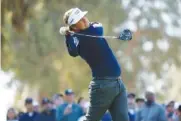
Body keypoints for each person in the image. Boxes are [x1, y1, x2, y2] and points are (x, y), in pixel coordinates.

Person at [59, 7, 131, 121]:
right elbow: (98, 27)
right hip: (102, 86)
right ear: (74, 27)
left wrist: (68, 35)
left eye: (83, 16)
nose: (85, 19)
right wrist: (69, 35)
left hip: (118, 83)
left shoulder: (77, 36)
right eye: (80, 20)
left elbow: (72, 50)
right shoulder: (89, 34)